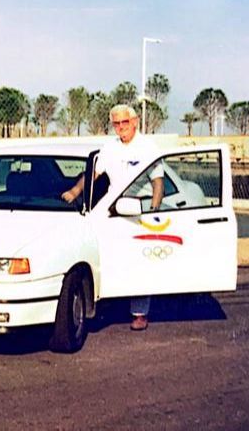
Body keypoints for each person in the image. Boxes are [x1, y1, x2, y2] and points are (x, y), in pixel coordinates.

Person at [61, 103, 164, 331]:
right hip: (112, 205)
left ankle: (139, 313)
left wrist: (154, 212)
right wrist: (75, 192)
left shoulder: (148, 147)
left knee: (139, 260)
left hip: (140, 207)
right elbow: (93, 174)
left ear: (135, 122)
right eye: (116, 123)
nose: (120, 127)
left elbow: (158, 182)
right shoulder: (110, 148)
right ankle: (100, 300)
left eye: (124, 122)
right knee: (98, 248)